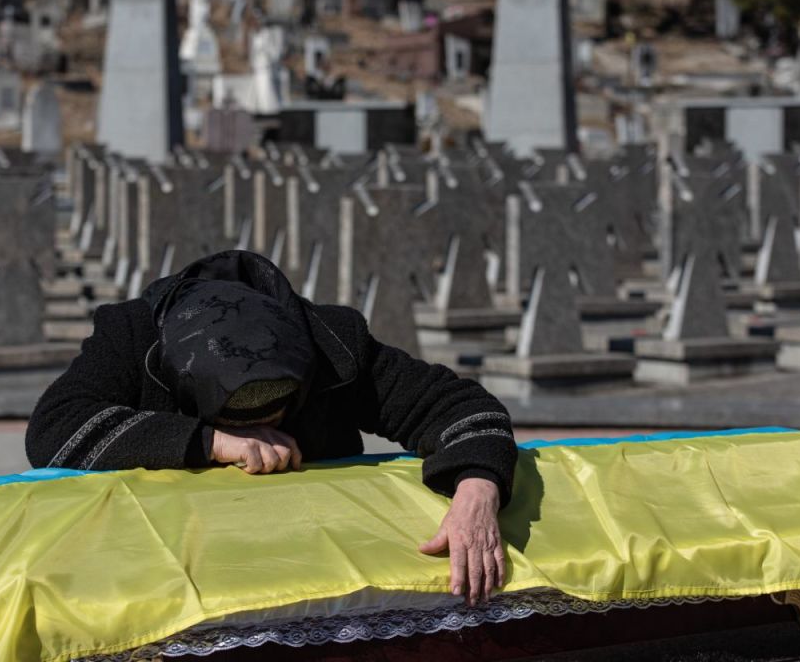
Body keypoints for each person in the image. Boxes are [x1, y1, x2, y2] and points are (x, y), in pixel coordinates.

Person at [28, 250, 518, 605]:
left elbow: (462, 407)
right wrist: (211, 442)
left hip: (312, 579)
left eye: (280, 412)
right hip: (164, 579)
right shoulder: (133, 337)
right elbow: (54, 430)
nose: (267, 430)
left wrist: (477, 488)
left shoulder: (331, 342)